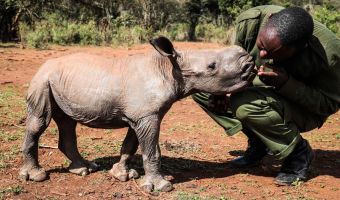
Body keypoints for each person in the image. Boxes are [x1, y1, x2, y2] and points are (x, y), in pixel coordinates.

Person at [193, 5, 340, 185]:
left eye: (272, 53)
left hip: (302, 109)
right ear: (268, 20)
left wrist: (287, 84)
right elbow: (233, 63)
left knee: (245, 104)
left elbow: (328, 105)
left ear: (299, 48)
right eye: (261, 46)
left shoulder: (329, 54)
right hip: (259, 92)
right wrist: (220, 91)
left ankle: (298, 154)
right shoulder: (251, 23)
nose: (262, 54)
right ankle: (260, 141)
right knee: (203, 87)